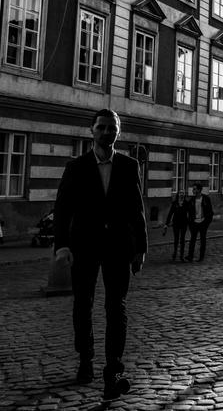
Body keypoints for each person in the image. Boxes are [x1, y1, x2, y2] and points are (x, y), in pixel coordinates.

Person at [53, 109, 147, 400]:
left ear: (119, 132)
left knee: (116, 307)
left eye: (113, 128)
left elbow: (137, 209)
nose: (107, 132)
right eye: (102, 127)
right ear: (92, 131)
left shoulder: (129, 165)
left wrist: (141, 248)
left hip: (118, 246)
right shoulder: (76, 166)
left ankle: (114, 370)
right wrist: (62, 245)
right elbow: (62, 208)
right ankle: (85, 358)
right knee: (83, 304)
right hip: (84, 245)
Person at [186, 183, 214, 262]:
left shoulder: (206, 198)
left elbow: (210, 212)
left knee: (203, 240)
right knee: (192, 240)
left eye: (194, 189)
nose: (193, 190)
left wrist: (207, 222)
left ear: (199, 190)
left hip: (203, 222)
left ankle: (201, 257)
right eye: (193, 189)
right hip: (194, 222)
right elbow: (188, 211)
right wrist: (190, 222)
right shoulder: (192, 199)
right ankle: (190, 256)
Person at [165, 191, 189, 261]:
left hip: (184, 223)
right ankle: (175, 253)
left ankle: (181, 255)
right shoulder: (175, 203)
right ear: (178, 194)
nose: (182, 194)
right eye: (180, 192)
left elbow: (190, 213)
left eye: (183, 193)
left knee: (182, 239)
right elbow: (170, 213)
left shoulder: (186, 203)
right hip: (176, 223)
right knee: (176, 239)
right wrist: (166, 224)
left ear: (184, 194)